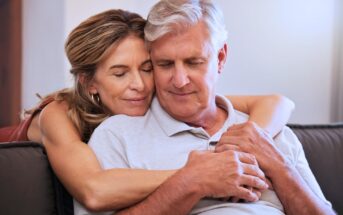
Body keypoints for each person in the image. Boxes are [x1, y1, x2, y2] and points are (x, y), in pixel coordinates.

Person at [0, 9, 294, 213]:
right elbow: (94, 190)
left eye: (147, 68)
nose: (139, 85)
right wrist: (199, 174)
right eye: (119, 73)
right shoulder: (59, 114)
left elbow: (276, 102)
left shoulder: (159, 97)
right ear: (88, 82)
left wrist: (253, 144)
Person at [80, 1, 335, 215]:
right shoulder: (118, 135)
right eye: (165, 64)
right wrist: (191, 183)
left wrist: (279, 166)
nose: (179, 81)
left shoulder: (267, 130)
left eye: (194, 62)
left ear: (220, 58)